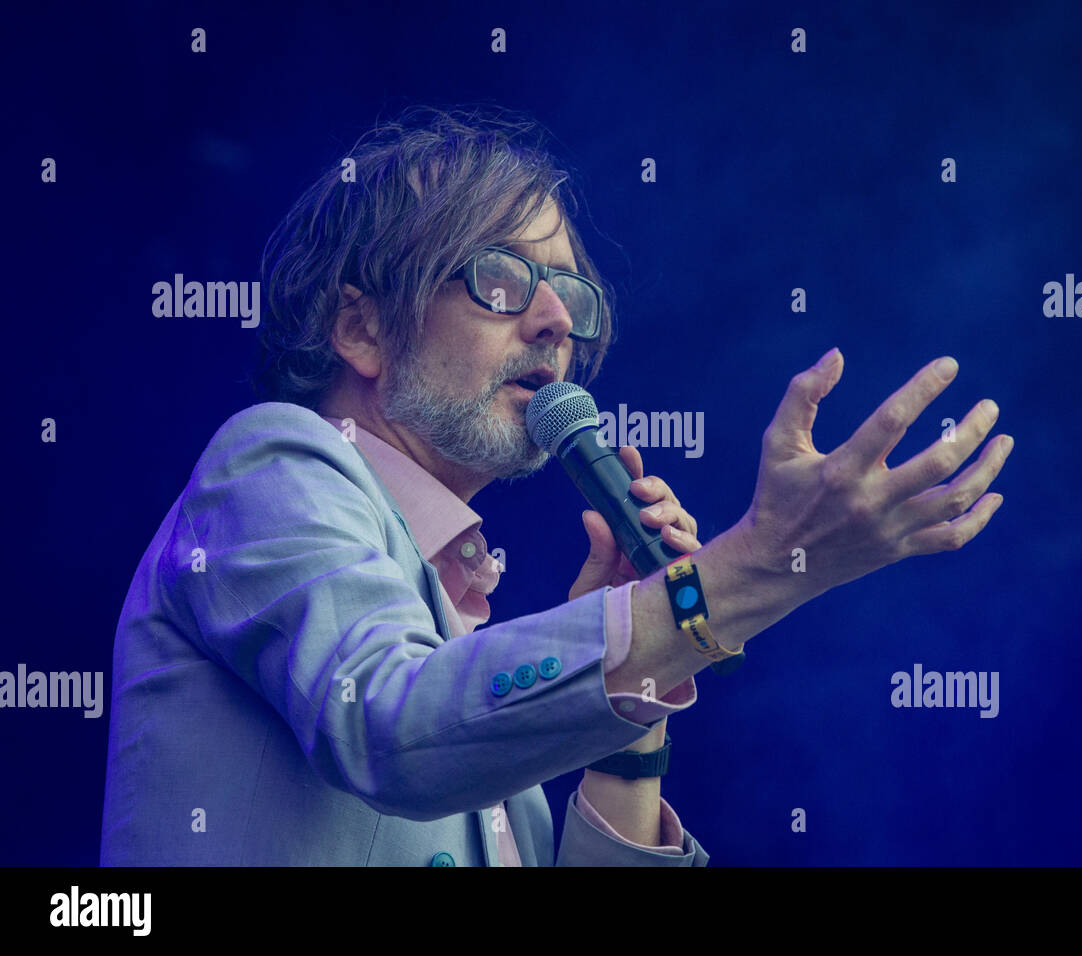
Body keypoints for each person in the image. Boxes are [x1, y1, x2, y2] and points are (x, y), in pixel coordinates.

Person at [100, 106, 1013, 866]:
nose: (553, 323)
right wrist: (753, 571)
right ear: (363, 329)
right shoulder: (267, 465)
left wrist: (646, 686)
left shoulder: (469, 651)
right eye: (501, 277)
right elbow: (388, 726)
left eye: (573, 296)